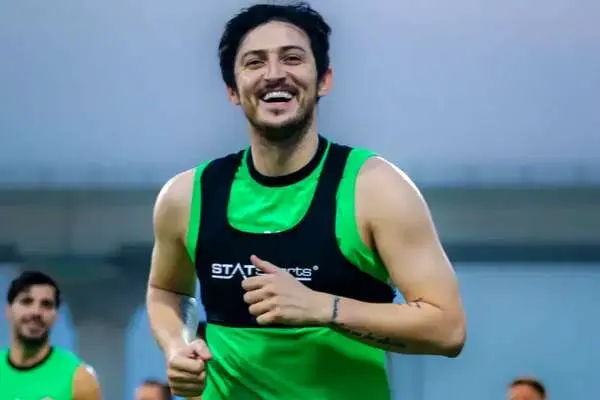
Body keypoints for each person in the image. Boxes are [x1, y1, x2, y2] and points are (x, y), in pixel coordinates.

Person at [146, 2, 466, 399]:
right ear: (232, 90)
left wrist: (323, 308)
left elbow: (448, 329)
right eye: (254, 62)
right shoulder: (187, 195)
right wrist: (177, 346)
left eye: (292, 58)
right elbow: (167, 291)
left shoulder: (374, 188)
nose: (274, 74)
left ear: (324, 79)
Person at [0, 270, 101, 399]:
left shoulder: (79, 380)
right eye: (26, 301)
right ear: (8, 310)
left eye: (46, 304)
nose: (36, 312)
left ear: (56, 316)